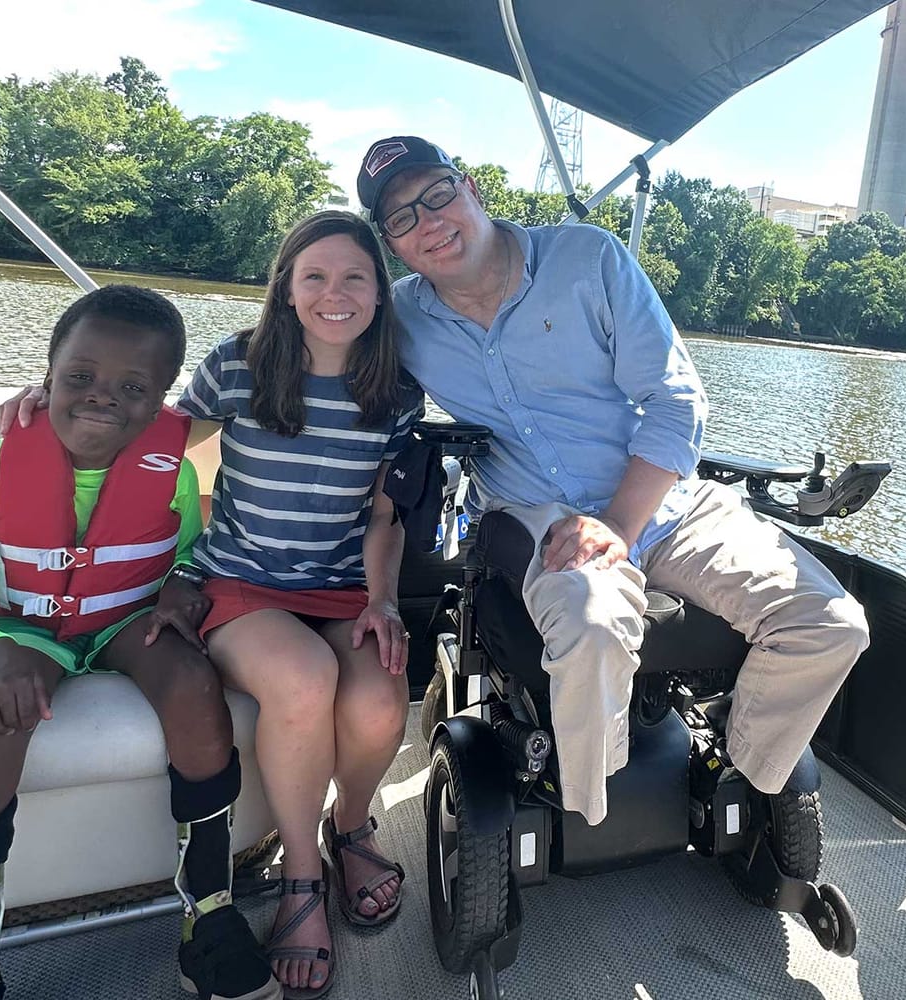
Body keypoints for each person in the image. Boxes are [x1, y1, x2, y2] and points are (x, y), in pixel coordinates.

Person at [358, 136, 871, 827]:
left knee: (831, 623)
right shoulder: (403, 315)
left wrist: (620, 527)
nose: (428, 222)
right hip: (532, 509)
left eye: (438, 195)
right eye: (402, 217)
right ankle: (591, 805)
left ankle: (734, 769)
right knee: (596, 625)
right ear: (393, 243)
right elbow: (326, 358)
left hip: (668, 502)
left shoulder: (588, 259)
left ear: (471, 188)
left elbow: (676, 400)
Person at [2, 213, 422, 1000]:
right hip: (239, 581)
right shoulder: (240, 365)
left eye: (354, 277)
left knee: (378, 697)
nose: (335, 294)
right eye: (315, 277)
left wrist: (384, 602)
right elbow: (150, 436)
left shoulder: (395, 392)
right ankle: (302, 880)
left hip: (341, 585)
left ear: (380, 292)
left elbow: (383, 516)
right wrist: (56, 403)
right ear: (287, 291)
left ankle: (352, 829)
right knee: (301, 681)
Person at [0, 285, 277, 1000]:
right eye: (80, 379)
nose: (102, 400)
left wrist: (180, 582)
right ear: (46, 378)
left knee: (195, 684)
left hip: (125, 622)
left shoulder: (167, 473)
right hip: (25, 630)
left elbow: (184, 558)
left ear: (165, 401)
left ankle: (209, 915)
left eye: (133, 388)